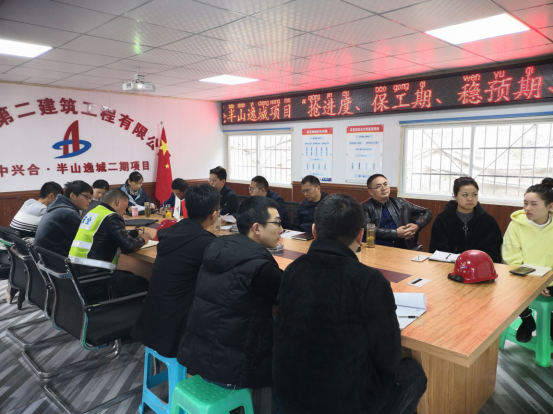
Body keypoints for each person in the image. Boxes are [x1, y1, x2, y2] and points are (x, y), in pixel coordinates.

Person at [273, 194, 427, 414]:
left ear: (314, 231)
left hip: (287, 397)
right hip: (346, 404)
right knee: (413, 373)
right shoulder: (369, 280)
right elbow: (389, 357)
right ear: (361, 235)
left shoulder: (292, 270)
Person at [178, 196, 283, 394]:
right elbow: (291, 296)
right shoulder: (260, 267)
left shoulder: (216, 247)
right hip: (232, 369)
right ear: (256, 228)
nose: (281, 229)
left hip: (197, 356)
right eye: (277, 223)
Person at [132, 184, 219, 358]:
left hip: (152, 321)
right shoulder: (206, 243)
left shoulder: (171, 232)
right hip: (177, 330)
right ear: (214, 214)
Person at [68, 188, 151, 302]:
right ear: (118, 202)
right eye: (125, 206)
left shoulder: (94, 212)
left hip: (78, 274)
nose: (125, 211)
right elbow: (129, 246)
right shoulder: (112, 216)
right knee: (143, 283)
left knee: (129, 275)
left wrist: (135, 233)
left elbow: (106, 233)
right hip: (96, 279)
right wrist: (143, 239)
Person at [502, 178, 553, 342]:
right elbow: (511, 257)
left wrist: (547, 282)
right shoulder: (516, 225)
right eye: (525, 203)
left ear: (550, 206)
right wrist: (534, 282)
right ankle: (527, 319)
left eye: (534, 204)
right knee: (504, 287)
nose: (527, 208)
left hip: (550, 280)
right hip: (524, 278)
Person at [429, 177, 503, 263]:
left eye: (474, 195)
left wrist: (472, 260)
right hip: (447, 265)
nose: (470, 199)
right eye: (465, 195)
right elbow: (437, 249)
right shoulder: (442, 219)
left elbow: (493, 251)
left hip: (478, 266)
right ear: (455, 196)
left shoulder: (488, 220)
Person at [362, 174, 432, 250]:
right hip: (376, 248)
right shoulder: (364, 207)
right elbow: (367, 229)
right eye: (378, 186)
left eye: (385, 184)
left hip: (403, 248)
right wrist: (395, 233)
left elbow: (427, 212)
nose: (384, 188)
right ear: (370, 191)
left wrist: (416, 226)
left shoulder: (400, 203)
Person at [35, 180, 92, 256]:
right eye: (87, 197)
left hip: (44, 257)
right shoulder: (68, 213)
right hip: (56, 259)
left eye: (90, 198)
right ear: (72, 196)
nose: (89, 201)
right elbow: (83, 240)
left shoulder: (56, 207)